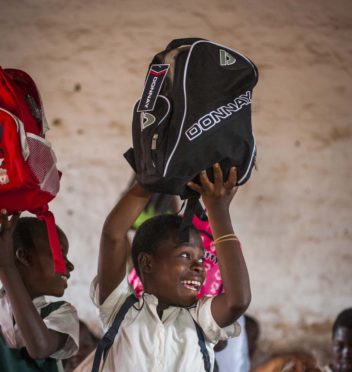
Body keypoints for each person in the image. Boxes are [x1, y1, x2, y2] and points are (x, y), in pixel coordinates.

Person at [91, 163, 251, 371]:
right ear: (147, 263)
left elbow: (237, 301)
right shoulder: (120, 309)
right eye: (185, 255)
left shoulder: (201, 319)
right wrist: (150, 179)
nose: (199, 268)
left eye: (201, 260)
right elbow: (112, 236)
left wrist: (218, 211)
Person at [0, 212, 79, 371]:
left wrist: (7, 267)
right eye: (59, 253)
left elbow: (40, 347)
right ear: (25, 257)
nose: (70, 265)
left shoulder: (62, 312)